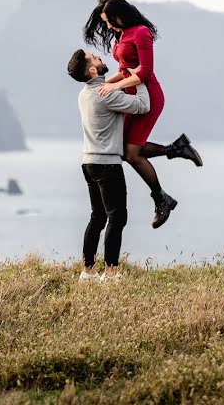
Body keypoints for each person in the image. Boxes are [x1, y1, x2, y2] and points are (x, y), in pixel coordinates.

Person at [83, 0, 203, 230]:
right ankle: (176, 149)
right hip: (130, 95)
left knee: (131, 154)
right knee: (123, 149)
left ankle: (162, 199)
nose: (107, 26)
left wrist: (114, 86)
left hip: (148, 97)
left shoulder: (141, 33)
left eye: (109, 21)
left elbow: (145, 72)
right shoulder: (121, 36)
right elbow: (125, 70)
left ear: (119, 14)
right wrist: (103, 84)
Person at [67, 48, 151, 282]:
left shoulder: (85, 93)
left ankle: (88, 270)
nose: (100, 58)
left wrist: (120, 79)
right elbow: (143, 105)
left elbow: (111, 87)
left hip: (89, 163)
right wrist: (139, 78)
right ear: (92, 70)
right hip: (107, 165)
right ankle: (111, 272)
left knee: (98, 217)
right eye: (96, 59)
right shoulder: (105, 94)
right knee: (117, 217)